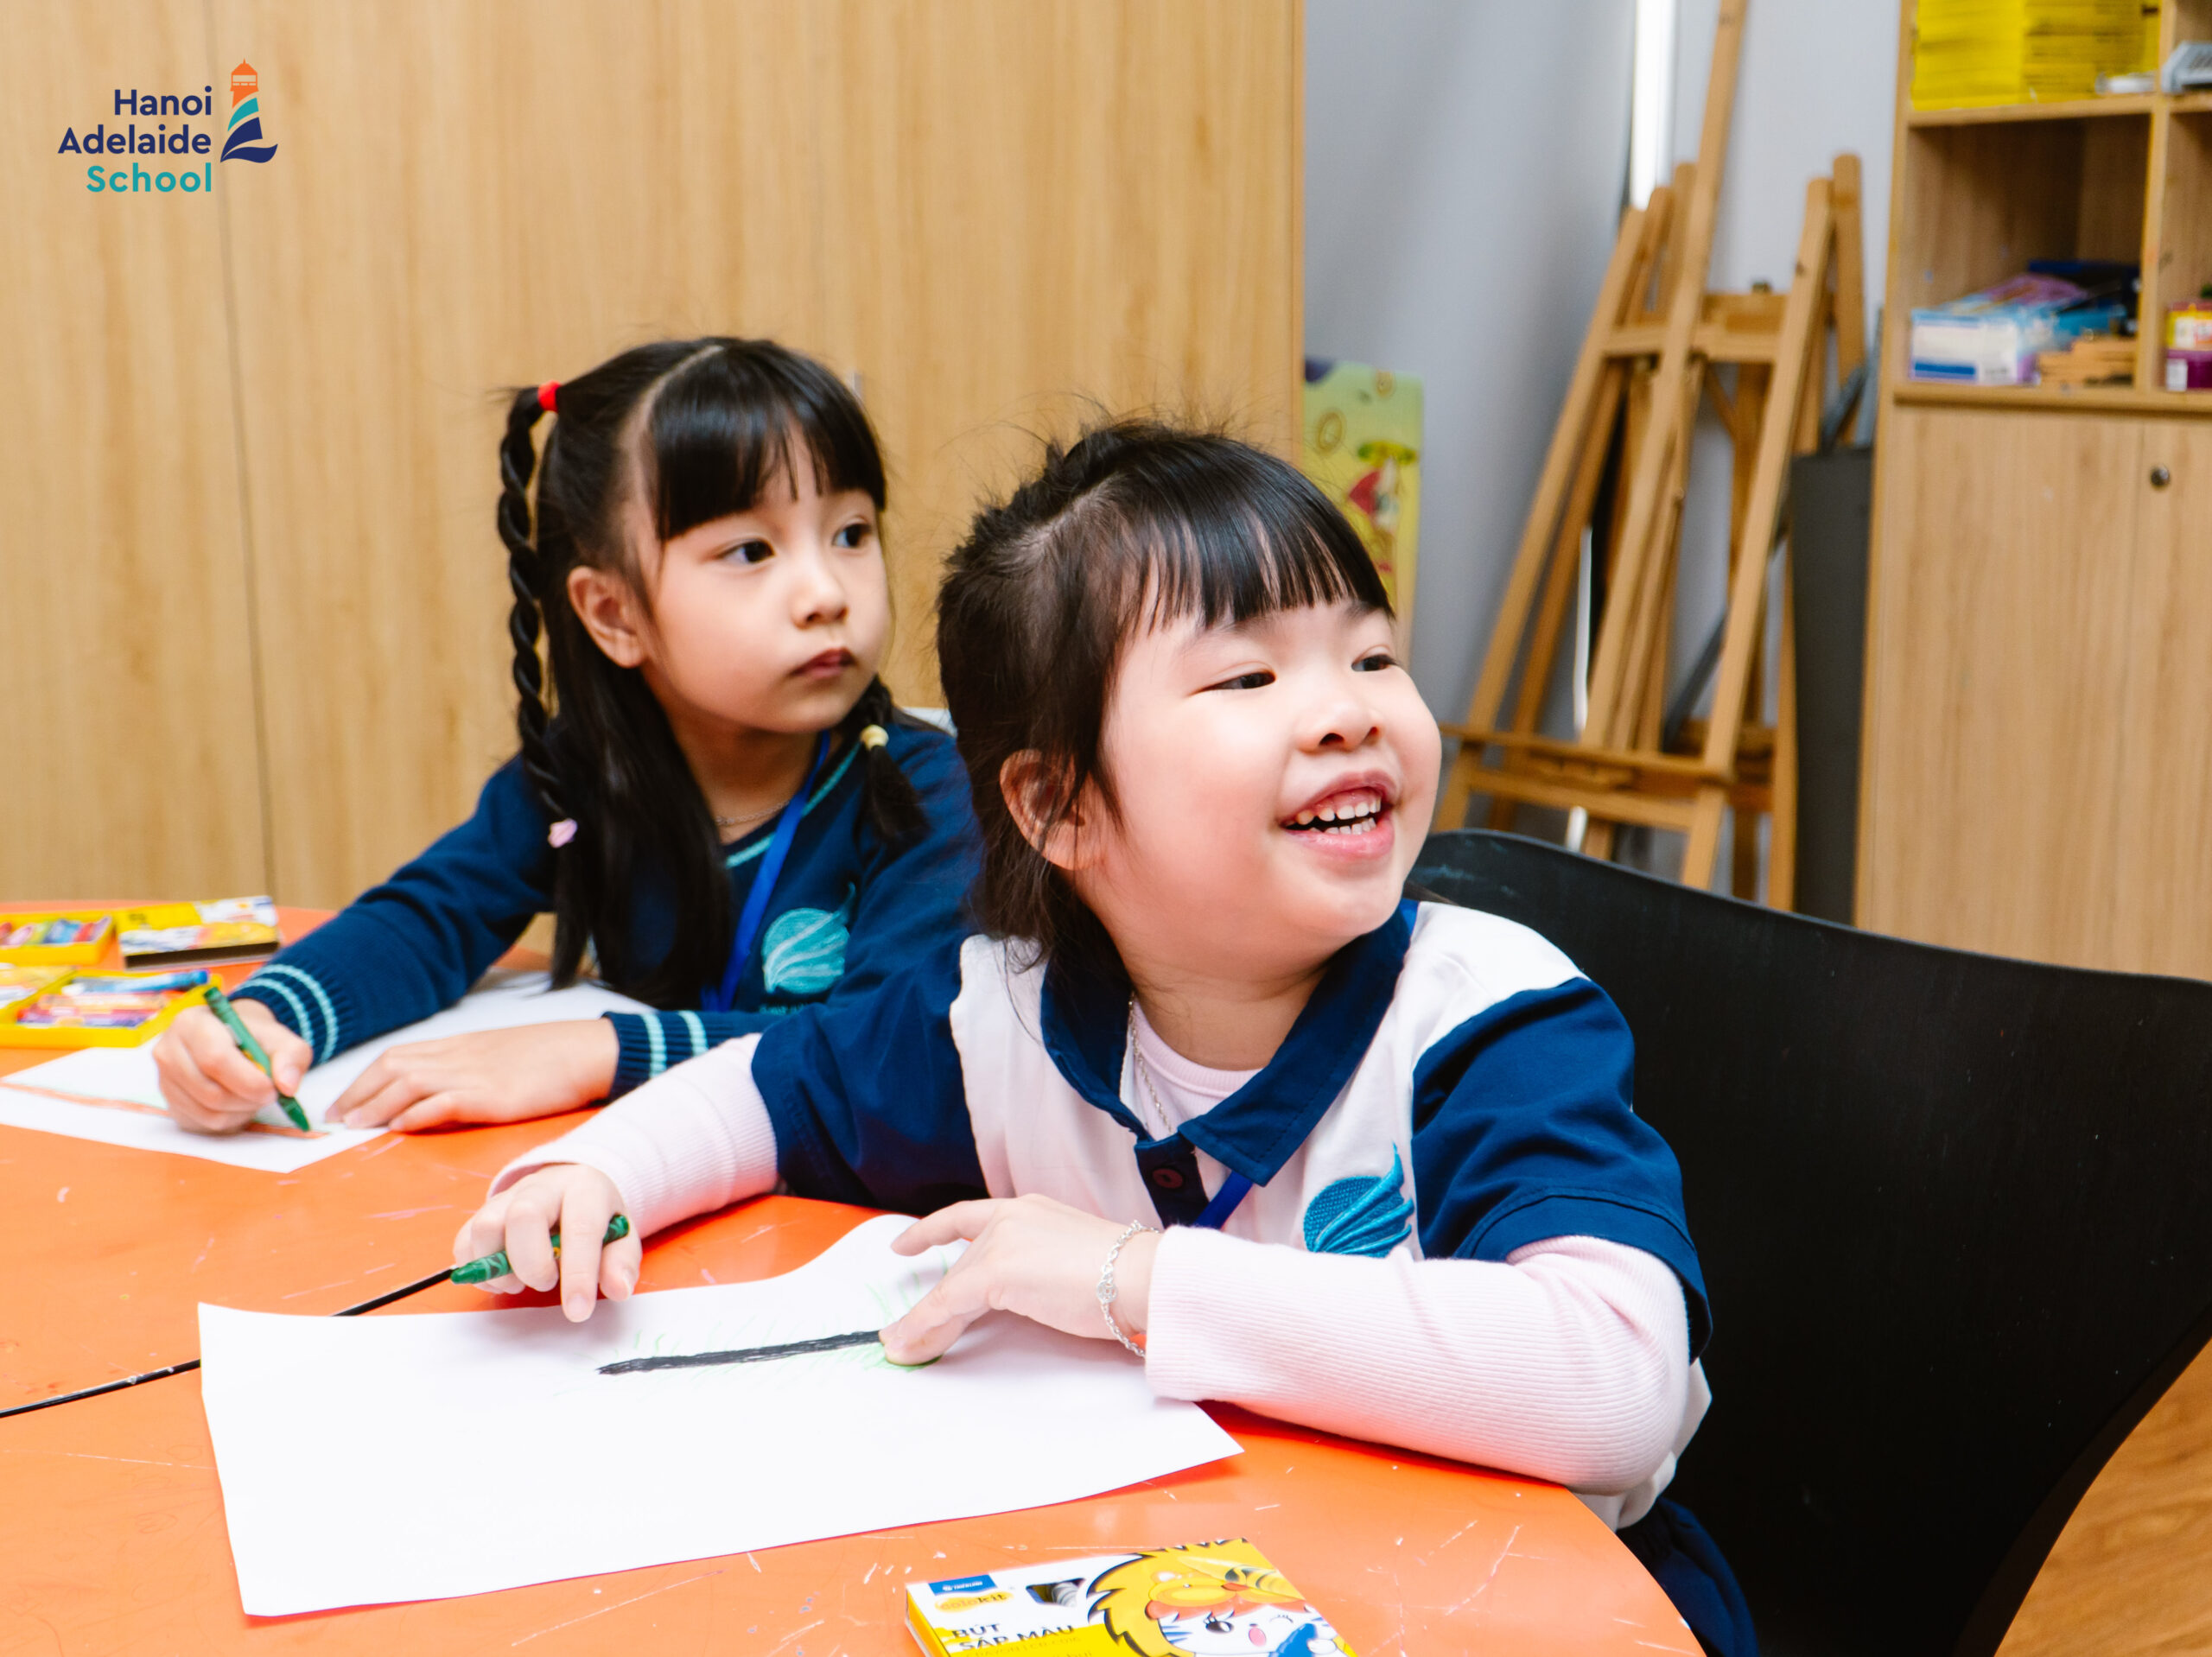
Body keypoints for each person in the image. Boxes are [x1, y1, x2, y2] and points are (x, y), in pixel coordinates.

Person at [456, 422, 1753, 1654]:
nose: (1347, 712)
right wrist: (594, 1173)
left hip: (1536, 1606)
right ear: (1060, 805)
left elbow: (1614, 1382)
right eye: (1249, 677)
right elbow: (765, 1092)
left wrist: (1129, 1277)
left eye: (1371, 658)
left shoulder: (1485, 1015)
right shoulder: (1003, 1017)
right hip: (1220, 1580)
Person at [154, 338, 976, 1134]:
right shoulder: (582, 778)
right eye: (751, 550)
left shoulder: (933, 796)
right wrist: (261, 1017)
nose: (826, 593)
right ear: (614, 614)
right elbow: (429, 919)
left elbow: (885, 1053)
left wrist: (599, 1052)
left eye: (851, 534)